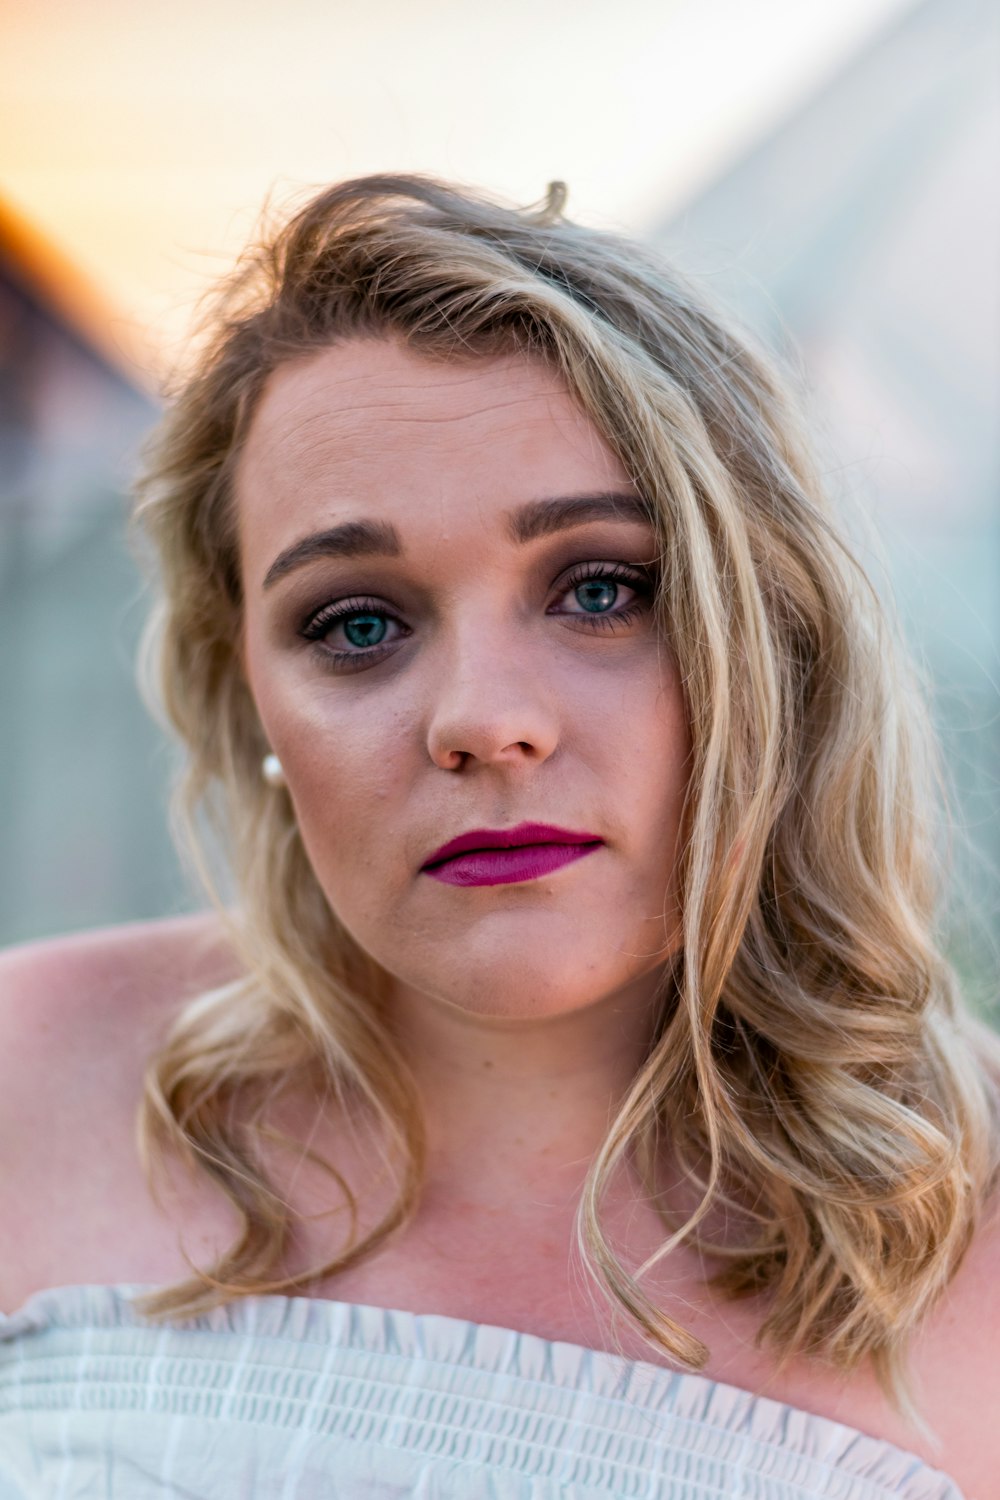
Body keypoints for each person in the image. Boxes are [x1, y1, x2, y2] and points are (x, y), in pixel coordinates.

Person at [0, 174, 997, 1500]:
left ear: (774, 640)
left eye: (599, 590)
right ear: (251, 699)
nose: (481, 723)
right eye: (358, 623)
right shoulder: (30, 1071)